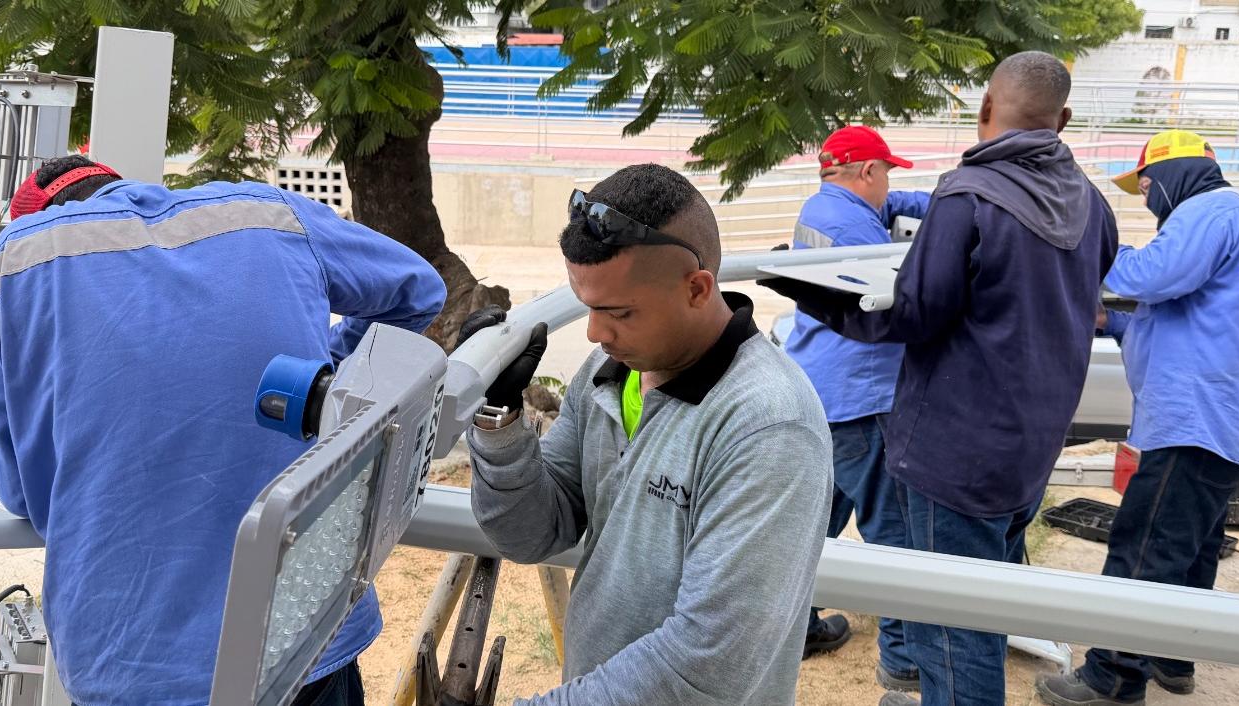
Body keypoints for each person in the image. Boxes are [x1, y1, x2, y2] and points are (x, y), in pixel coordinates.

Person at [0, 155, 446, 706]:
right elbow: (417, 292)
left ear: (33, 217)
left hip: (130, 658)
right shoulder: (265, 212)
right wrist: (326, 390)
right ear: (121, 184)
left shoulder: (17, 259)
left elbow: (18, 490)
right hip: (305, 631)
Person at [759, 52, 1118, 706]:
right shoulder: (1093, 206)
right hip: (1030, 451)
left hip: (954, 454)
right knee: (978, 606)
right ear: (1062, 120)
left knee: (954, 632)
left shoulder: (969, 194)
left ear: (984, 110)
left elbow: (916, 313)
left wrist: (808, 292)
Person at [461, 163, 834, 705]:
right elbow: (533, 534)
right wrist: (499, 418)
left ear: (697, 288)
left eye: (620, 312)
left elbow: (709, 664)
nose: (595, 332)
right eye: (587, 306)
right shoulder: (607, 373)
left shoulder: (769, 426)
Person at [1036, 130, 1239, 706]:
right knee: (1192, 544)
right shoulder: (1227, 221)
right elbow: (1168, 310)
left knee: (1147, 544)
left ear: (1175, 174)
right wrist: (1113, 320)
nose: (1143, 195)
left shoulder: (1209, 210)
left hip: (1198, 417)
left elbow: (1144, 277)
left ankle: (1113, 680)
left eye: (1146, 183)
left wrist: (1088, 256)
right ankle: (1173, 657)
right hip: (1222, 414)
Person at [785, 125, 929, 689]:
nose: (890, 184)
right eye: (886, 171)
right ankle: (903, 658)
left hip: (826, 389)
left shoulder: (828, 206)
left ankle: (796, 626)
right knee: (889, 526)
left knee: (817, 519)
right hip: (860, 398)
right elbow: (906, 298)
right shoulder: (852, 226)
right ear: (866, 171)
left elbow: (902, 202)